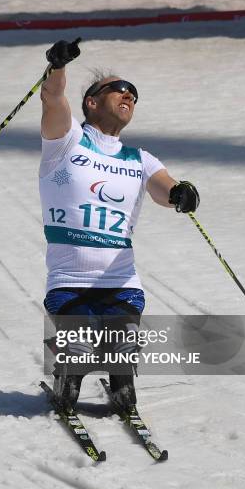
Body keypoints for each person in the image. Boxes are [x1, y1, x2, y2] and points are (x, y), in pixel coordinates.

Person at [40, 38, 199, 413]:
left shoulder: (139, 158)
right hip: (70, 281)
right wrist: (57, 67)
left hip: (121, 281)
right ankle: (68, 376)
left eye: (133, 93)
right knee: (78, 346)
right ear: (92, 102)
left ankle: (122, 385)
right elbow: (52, 99)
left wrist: (180, 194)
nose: (127, 95)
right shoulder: (67, 141)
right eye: (118, 89)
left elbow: (164, 188)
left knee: (123, 345)